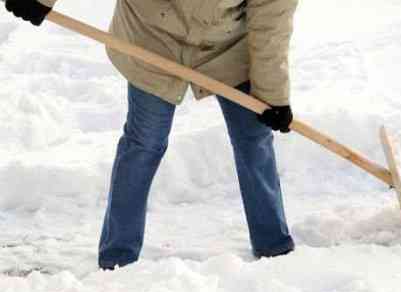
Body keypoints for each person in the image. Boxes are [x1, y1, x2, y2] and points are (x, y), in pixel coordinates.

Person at [5, 0, 298, 269]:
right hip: (151, 37)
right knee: (144, 143)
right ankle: (117, 258)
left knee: (254, 138)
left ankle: (273, 247)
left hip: (227, 45)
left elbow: (271, 20)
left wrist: (272, 96)